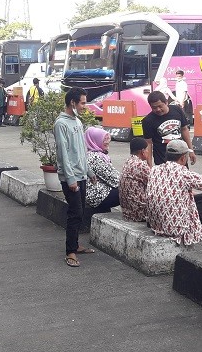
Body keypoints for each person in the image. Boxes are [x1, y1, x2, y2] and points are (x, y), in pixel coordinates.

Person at [145, 139, 202, 248]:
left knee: (201, 200)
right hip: (175, 227)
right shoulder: (184, 173)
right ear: (183, 158)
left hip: (155, 223)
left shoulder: (155, 169)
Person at [54, 87, 95, 268]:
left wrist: (89, 172)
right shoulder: (61, 124)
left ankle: (76, 245)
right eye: (83, 102)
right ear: (73, 103)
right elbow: (63, 154)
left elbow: (81, 150)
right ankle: (70, 251)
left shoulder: (77, 121)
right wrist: (70, 179)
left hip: (81, 175)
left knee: (80, 212)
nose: (85, 106)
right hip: (71, 178)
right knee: (75, 213)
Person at [141, 91, 195, 167]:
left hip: (180, 157)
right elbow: (148, 143)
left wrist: (191, 151)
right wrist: (149, 165)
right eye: (154, 107)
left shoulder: (177, 110)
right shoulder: (148, 121)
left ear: (166, 102)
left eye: (160, 106)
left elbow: (184, 129)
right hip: (162, 160)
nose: (158, 109)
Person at [83, 127, 121, 224]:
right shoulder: (95, 157)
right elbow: (114, 179)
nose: (107, 142)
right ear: (95, 140)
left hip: (97, 192)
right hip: (97, 196)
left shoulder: (93, 154)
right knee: (130, 190)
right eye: (104, 140)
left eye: (107, 139)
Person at [118, 137, 151, 222]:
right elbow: (155, 184)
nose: (148, 152)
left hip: (127, 211)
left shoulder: (128, 161)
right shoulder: (140, 165)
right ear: (142, 151)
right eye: (147, 150)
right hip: (138, 213)